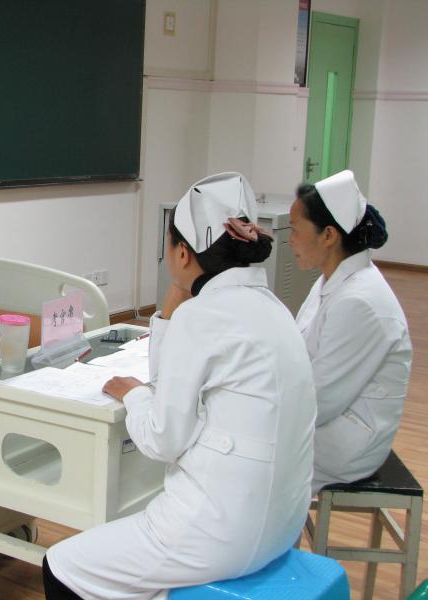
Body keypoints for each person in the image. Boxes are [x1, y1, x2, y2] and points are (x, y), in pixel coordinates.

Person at [43, 172, 316, 600]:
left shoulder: (202, 315)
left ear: (183, 253)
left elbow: (161, 439)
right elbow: (175, 379)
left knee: (62, 564)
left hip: (220, 532)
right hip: (282, 523)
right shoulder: (274, 309)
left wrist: (134, 394)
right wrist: (172, 313)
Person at [289, 170, 412, 494]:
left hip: (346, 443)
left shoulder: (359, 302)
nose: (290, 241)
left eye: (295, 230)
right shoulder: (331, 281)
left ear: (329, 235)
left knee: (242, 455)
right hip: (330, 420)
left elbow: (321, 399)